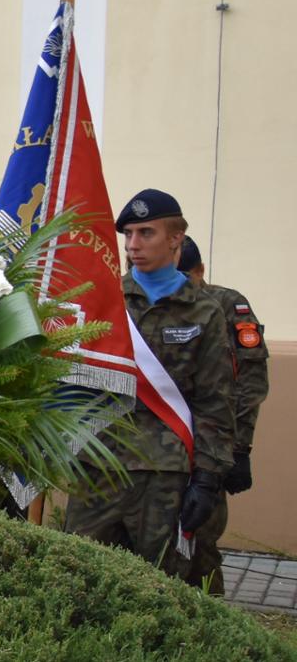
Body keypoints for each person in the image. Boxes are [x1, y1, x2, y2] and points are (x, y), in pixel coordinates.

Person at [64, 190, 236, 587]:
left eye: (146, 233)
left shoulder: (204, 310)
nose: (133, 245)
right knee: (78, 578)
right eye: (128, 234)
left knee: (159, 583)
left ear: (176, 238)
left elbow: (215, 402)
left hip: (165, 474)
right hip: (98, 464)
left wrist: (208, 478)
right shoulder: (102, 299)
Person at [178, 237, 269, 595]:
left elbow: (250, 382)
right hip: (158, 443)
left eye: (186, 276)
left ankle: (208, 624)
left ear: (201, 272)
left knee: (201, 542)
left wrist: (241, 448)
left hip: (210, 445)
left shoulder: (229, 305)